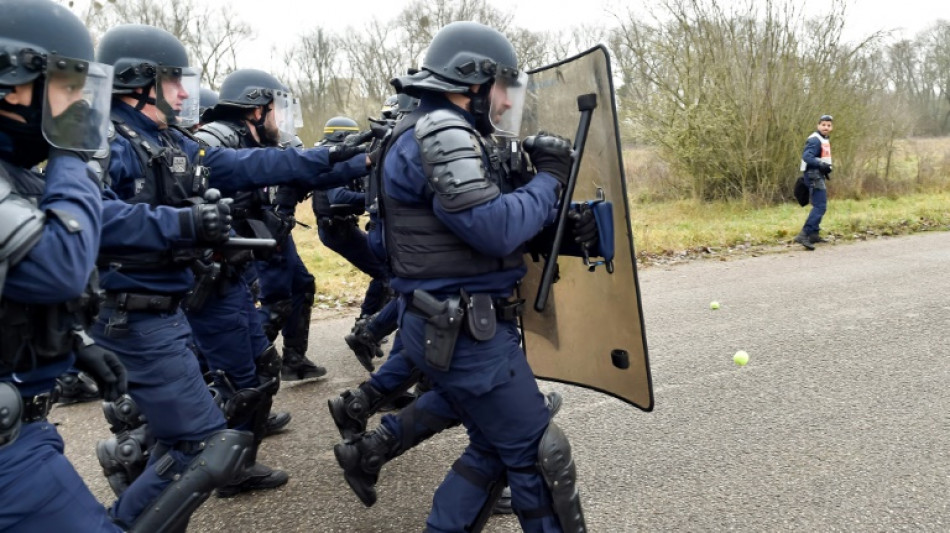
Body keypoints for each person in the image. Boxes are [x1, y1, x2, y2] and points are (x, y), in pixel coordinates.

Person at [90, 23, 370, 528]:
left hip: (171, 305)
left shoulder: (168, 139)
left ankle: (140, 463)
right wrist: (184, 222)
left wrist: (338, 156)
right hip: (134, 312)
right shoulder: (107, 142)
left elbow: (251, 165)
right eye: (173, 80)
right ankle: (129, 483)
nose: (185, 92)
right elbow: (87, 216)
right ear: (137, 82)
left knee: (205, 434)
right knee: (200, 446)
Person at [334, 21, 589, 532]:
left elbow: (459, 229)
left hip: (447, 320)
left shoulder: (430, 130)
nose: (505, 101)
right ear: (473, 80)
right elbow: (493, 229)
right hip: (467, 332)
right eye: (503, 87)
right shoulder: (443, 132)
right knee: (541, 457)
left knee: (494, 449)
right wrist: (549, 180)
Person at [0, 1, 128, 530]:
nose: (78, 104)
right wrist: (73, 151)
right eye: (67, 86)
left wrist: (75, 345)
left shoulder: (14, 173)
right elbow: (59, 265)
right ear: (11, 82)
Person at [793, 114, 834, 250]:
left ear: (831, 127)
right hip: (813, 174)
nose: (826, 127)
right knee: (820, 206)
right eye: (823, 125)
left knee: (819, 204)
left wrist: (825, 168)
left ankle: (814, 234)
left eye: (828, 125)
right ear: (818, 125)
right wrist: (820, 165)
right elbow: (807, 156)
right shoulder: (815, 140)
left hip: (817, 174)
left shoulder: (824, 139)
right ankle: (804, 234)